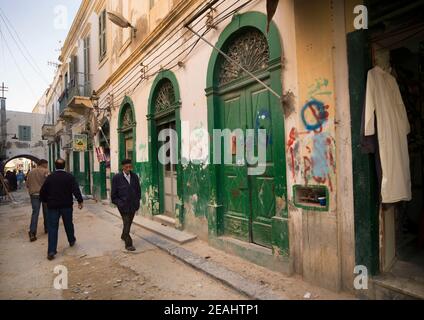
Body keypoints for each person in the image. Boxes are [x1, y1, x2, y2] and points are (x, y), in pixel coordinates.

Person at [40, 159, 83, 260]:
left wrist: (47, 201)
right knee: (68, 224)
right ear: (64, 166)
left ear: (55, 166)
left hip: (53, 207)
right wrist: (80, 200)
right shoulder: (69, 177)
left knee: (52, 228)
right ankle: (71, 240)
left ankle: (51, 251)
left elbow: (43, 192)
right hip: (66, 206)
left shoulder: (50, 178)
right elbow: (75, 189)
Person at [111, 159, 141, 252]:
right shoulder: (116, 178)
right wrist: (119, 203)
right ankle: (128, 244)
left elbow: (138, 190)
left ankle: (124, 235)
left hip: (133, 205)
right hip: (123, 206)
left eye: (130, 167)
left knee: (129, 222)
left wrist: (137, 201)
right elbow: (113, 195)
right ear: (122, 167)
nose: (128, 169)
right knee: (127, 222)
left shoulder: (135, 176)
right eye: (126, 167)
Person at [26, 160, 50, 242]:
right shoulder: (46, 171)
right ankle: (47, 228)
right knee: (46, 212)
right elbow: (49, 182)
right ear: (43, 164)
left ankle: (32, 233)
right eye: (46, 164)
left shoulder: (31, 172)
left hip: (34, 195)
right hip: (44, 195)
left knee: (35, 213)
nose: (47, 165)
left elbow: (27, 184)